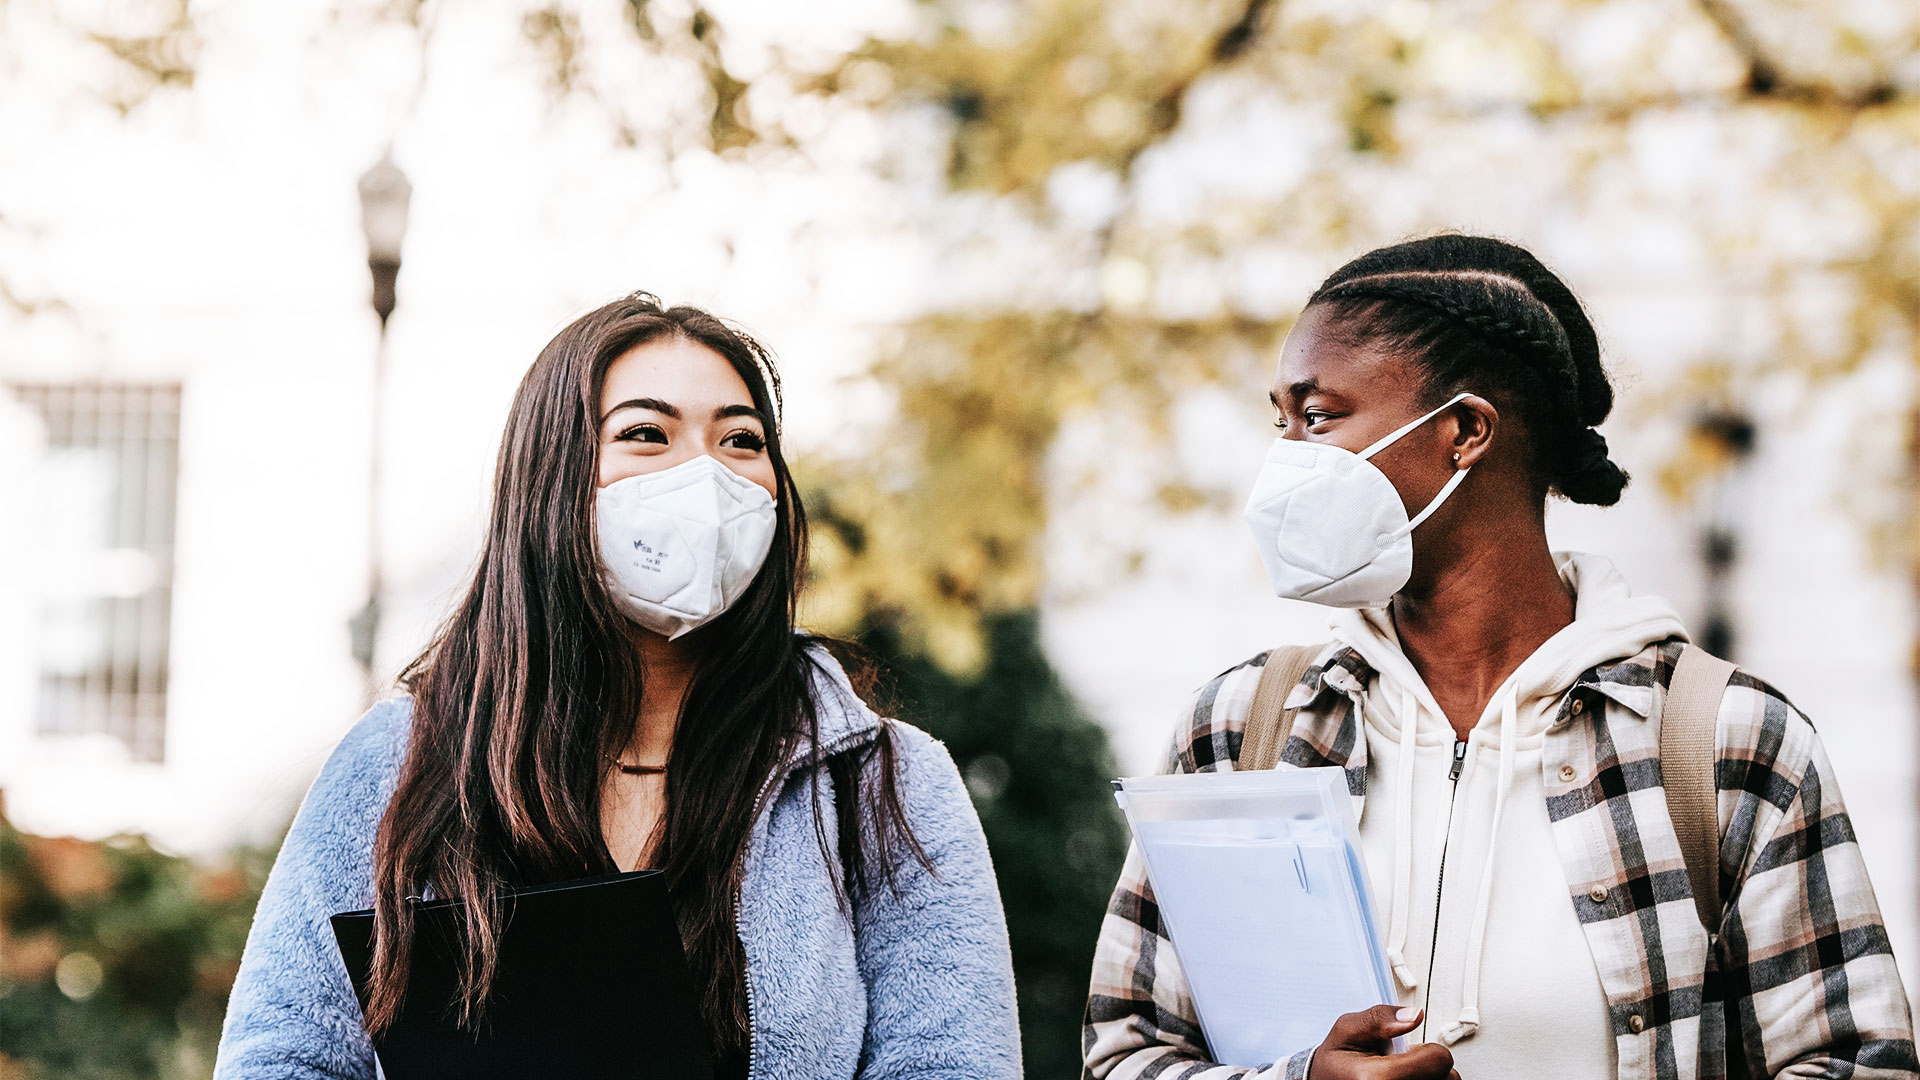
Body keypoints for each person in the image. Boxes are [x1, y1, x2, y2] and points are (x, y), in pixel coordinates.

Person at [1082, 235, 1918, 1080]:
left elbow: (1859, 1064)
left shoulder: (1727, 742)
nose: (1288, 457)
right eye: (1283, 421)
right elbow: (1124, 1056)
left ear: (1466, 431)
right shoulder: (1237, 729)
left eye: (1321, 416)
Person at [215, 294, 1021, 1080]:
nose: (704, 477)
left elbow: (952, 1061)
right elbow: (285, 1055)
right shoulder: (398, 763)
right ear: (552, 478)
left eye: (741, 440)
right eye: (646, 433)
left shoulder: (885, 783)